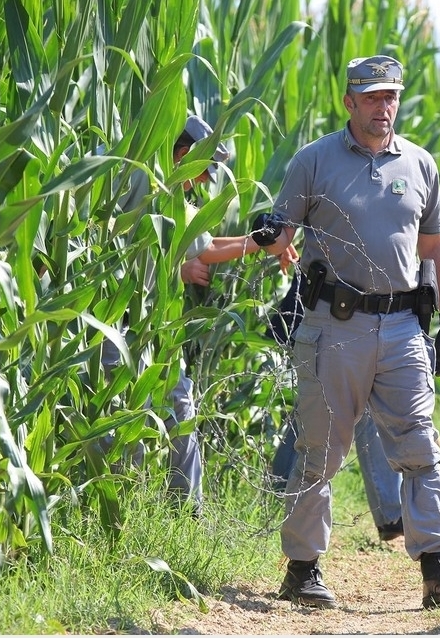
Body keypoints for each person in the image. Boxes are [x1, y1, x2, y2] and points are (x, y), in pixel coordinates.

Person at [252, 54, 440, 610]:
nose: (383, 107)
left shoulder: (420, 163)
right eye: (372, 97)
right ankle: (302, 570)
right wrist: (267, 234)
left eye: (391, 96)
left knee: (419, 444)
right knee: (319, 451)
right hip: (334, 326)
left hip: (402, 327)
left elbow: (434, 246)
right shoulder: (314, 161)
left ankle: (437, 567)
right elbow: (282, 235)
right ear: (349, 102)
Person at [102, 115, 296, 513]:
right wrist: (262, 244)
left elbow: (202, 242)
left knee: (179, 401)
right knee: (125, 410)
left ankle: (186, 511)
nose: (205, 181)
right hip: (112, 319)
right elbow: (206, 250)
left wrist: (261, 242)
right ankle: (118, 508)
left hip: (147, 322)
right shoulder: (143, 179)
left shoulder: (166, 189)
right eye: (203, 170)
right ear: (181, 155)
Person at [267, 275, 405, 541]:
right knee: (316, 410)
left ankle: (391, 513)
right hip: (321, 310)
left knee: (319, 408)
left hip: (347, 315)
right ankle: (284, 493)